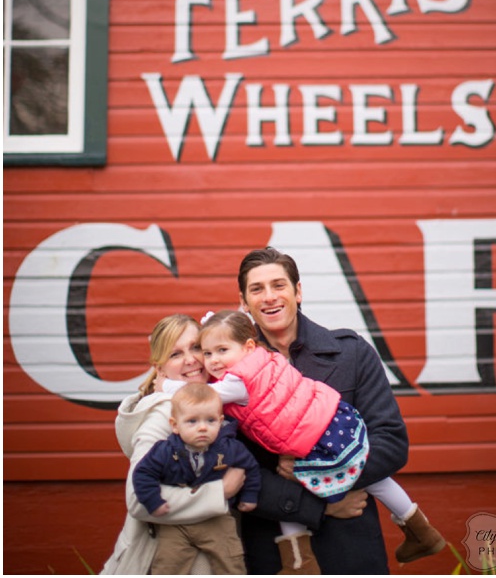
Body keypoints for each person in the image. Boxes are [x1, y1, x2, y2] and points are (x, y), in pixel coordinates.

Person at [232, 246, 441, 575]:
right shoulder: (229, 377)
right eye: (257, 289)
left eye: (279, 285)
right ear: (244, 302)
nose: (269, 297)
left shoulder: (351, 354)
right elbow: (233, 470)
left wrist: (327, 479)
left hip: (350, 550)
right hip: (272, 554)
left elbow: (390, 443)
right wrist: (319, 505)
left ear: (298, 292)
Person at [100, 314, 247, 575]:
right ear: (160, 368)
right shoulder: (164, 413)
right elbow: (138, 500)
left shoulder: (208, 408)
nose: (191, 360)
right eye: (175, 354)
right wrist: (219, 491)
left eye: (195, 348)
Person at [132, 383, 260, 574]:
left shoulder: (229, 448)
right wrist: (153, 501)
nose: (202, 428)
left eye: (210, 421)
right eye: (192, 421)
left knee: (231, 561)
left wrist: (249, 496)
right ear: (175, 425)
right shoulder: (164, 450)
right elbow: (143, 474)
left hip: (216, 518)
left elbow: (250, 467)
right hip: (176, 522)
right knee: (168, 565)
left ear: (220, 421)